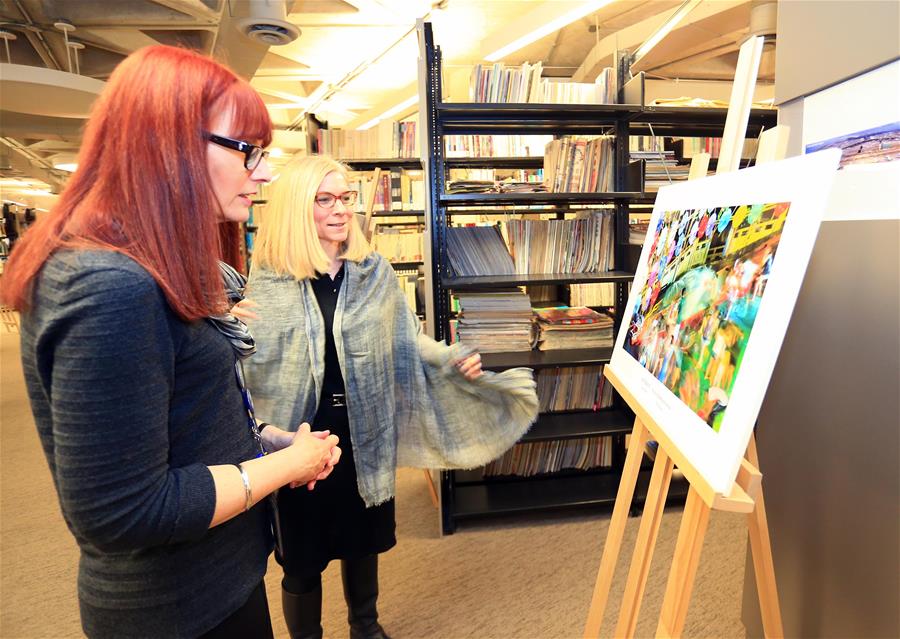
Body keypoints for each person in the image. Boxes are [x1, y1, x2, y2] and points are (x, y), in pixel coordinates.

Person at [0, 45, 341, 638]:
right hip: (177, 610)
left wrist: (262, 441)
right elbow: (123, 510)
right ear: (172, 145)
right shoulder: (108, 285)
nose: (263, 172)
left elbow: (173, 423)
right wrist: (286, 465)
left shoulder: (149, 265)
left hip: (215, 583)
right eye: (249, 151)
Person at [240, 155, 540, 639]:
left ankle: (366, 626)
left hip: (364, 431)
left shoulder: (372, 270)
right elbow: (253, 362)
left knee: (363, 538)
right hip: (299, 435)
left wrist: (447, 358)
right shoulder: (270, 279)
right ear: (298, 207)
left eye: (346, 198)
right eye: (325, 200)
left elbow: (403, 337)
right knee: (302, 552)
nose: (341, 210)